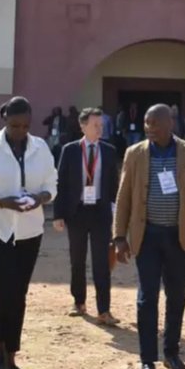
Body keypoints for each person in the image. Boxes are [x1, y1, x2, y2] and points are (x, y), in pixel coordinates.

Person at [114, 104, 185, 369]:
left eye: (155, 124)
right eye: (146, 123)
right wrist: (119, 237)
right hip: (146, 236)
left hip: (177, 237)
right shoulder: (135, 154)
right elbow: (124, 197)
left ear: (169, 124)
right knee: (147, 297)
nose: (149, 128)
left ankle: (171, 351)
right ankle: (147, 361)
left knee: (176, 296)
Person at [0, 96, 58, 369]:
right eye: (14, 126)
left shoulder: (40, 147)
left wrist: (40, 197)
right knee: (6, 287)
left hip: (30, 231)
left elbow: (52, 183)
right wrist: (1, 202)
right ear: (4, 120)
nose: (20, 131)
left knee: (18, 293)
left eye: (25, 126)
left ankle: (11, 356)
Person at [53, 107, 121, 326]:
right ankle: (79, 301)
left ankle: (104, 309)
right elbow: (61, 183)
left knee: (102, 262)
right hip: (77, 212)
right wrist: (58, 214)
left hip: (101, 212)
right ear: (83, 126)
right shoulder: (70, 150)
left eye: (101, 125)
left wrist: (117, 212)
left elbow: (114, 184)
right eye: (95, 125)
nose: (99, 129)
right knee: (77, 260)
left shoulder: (109, 151)